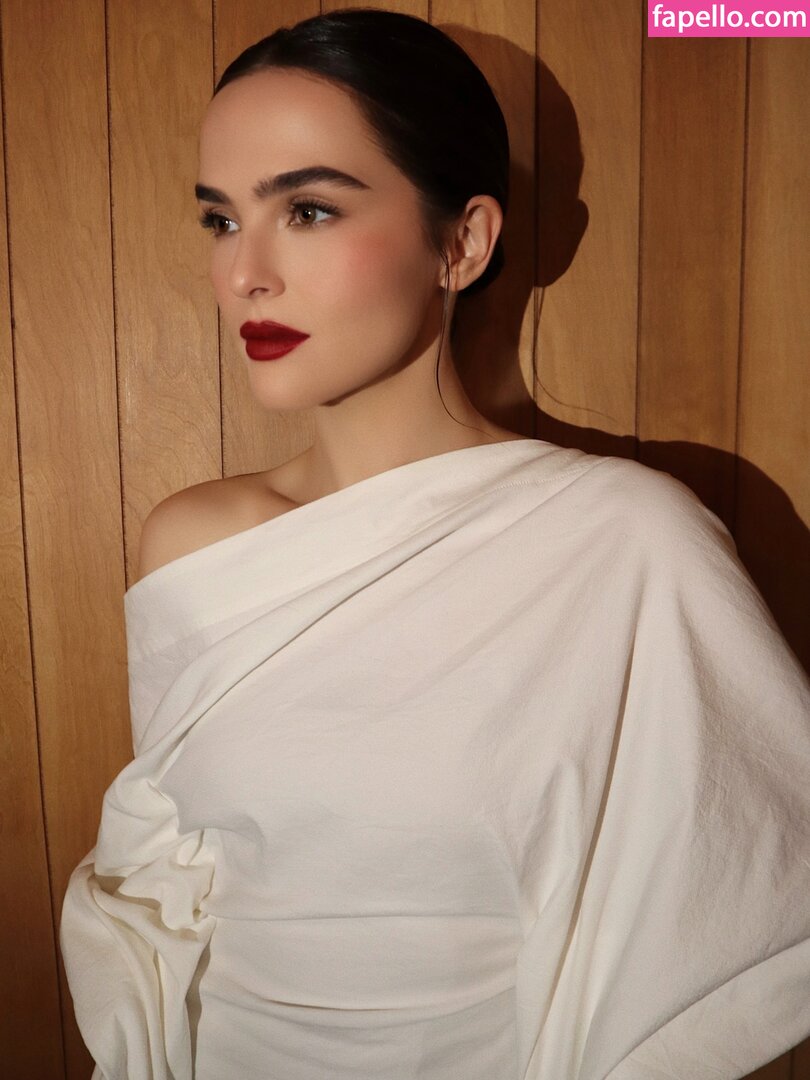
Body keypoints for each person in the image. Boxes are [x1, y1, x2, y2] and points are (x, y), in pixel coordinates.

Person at [59, 9, 810, 1080]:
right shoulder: (193, 546)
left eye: (307, 210)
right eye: (221, 220)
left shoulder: (626, 544)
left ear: (462, 243)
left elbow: (741, 892)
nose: (245, 274)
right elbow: (168, 874)